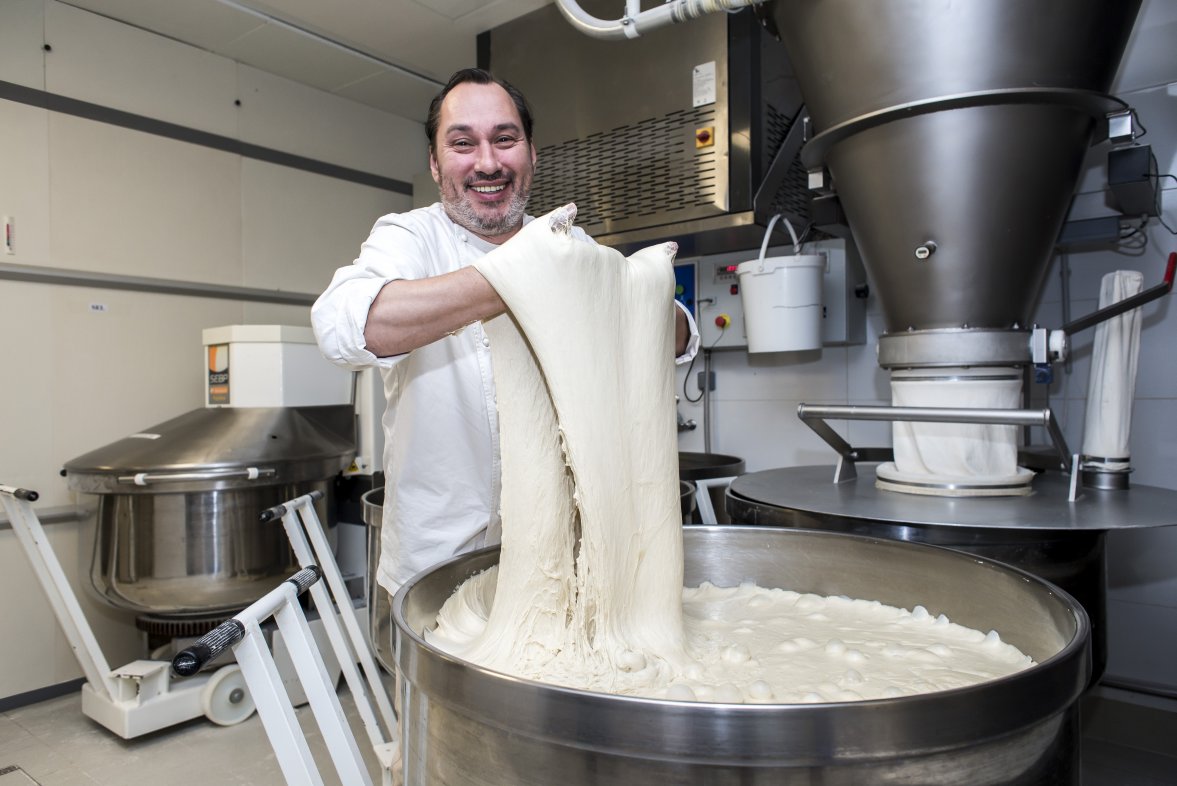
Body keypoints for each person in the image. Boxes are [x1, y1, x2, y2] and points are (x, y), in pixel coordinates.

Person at [312, 68, 700, 599]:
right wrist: (520, 277)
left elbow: (673, 338)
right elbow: (345, 326)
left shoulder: (570, 244)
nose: (488, 163)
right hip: (438, 566)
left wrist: (651, 303)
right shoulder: (412, 238)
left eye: (504, 139)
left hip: (565, 562)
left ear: (532, 153)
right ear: (434, 162)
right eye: (462, 143)